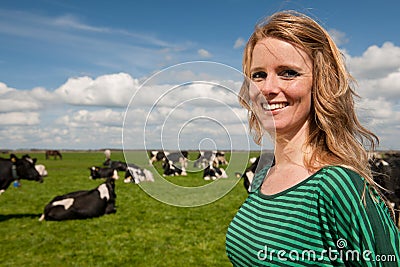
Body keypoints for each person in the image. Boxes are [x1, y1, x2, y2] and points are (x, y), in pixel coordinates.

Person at [225, 10, 400, 266]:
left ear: (320, 84)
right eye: (258, 75)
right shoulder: (263, 177)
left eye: (288, 72)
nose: (268, 88)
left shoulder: (336, 185)